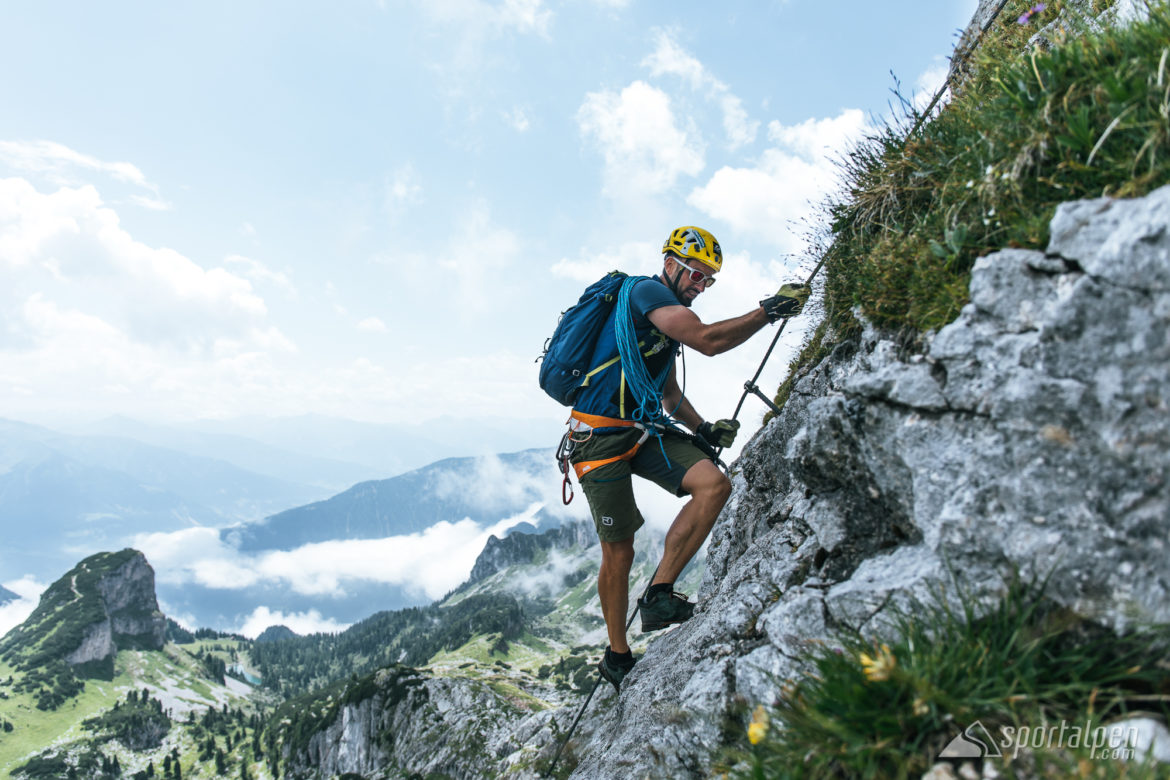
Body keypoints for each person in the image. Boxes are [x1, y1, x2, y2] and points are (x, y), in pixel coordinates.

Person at [564, 226, 810, 691]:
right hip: (596, 439)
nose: (700, 286)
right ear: (672, 264)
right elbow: (709, 341)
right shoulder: (646, 292)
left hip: (641, 430)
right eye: (697, 275)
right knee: (619, 550)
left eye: (708, 281)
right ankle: (617, 656)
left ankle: (658, 595)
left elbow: (667, 391)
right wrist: (768, 310)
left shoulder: (665, 315)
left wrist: (702, 429)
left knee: (714, 485)